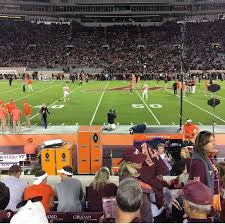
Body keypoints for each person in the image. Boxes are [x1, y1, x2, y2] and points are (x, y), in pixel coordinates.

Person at [189, 131, 216, 195]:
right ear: (202, 144)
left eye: (214, 141)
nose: (214, 144)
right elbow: (196, 187)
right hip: (202, 201)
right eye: (210, 141)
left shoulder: (205, 159)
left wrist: (212, 170)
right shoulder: (199, 163)